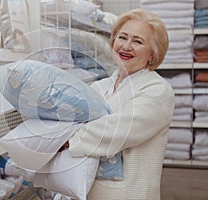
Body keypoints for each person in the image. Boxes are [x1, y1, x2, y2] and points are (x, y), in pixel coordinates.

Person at [65, 9, 175, 199]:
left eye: (138, 41)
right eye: (122, 38)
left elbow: (118, 130)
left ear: (152, 54)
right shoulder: (100, 86)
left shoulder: (157, 90)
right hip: (87, 190)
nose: (126, 46)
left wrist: (66, 140)